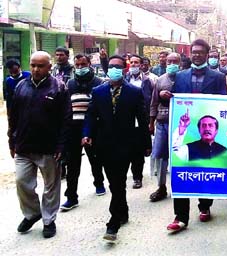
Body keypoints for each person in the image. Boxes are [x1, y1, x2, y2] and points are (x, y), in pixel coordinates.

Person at [82, 55, 151, 242]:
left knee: (119, 181)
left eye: (118, 67)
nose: (114, 69)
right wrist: (86, 134)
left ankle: (113, 223)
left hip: (125, 144)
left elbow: (142, 120)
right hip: (103, 144)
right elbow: (90, 115)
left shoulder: (134, 92)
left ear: (125, 69)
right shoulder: (97, 92)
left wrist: (146, 144)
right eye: (111, 66)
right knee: (114, 183)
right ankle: (124, 210)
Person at [8, 51, 72, 238]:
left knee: (51, 186)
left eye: (40, 66)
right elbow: (13, 116)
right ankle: (33, 213)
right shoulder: (21, 86)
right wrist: (12, 140)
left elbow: (66, 119)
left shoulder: (59, 87)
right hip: (24, 146)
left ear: (49, 67)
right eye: (33, 65)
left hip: (49, 148)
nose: (35, 69)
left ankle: (48, 220)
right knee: (22, 182)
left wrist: (61, 146)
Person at [167, 39, 227, 233]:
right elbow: (175, 100)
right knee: (181, 166)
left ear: (207, 54)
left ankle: (205, 205)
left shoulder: (218, 77)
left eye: (201, 52)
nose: (197, 55)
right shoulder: (181, 76)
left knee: (205, 166)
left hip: (206, 128)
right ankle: (180, 216)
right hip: (185, 126)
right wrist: (166, 96)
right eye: (194, 52)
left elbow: (223, 102)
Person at [60, 54, 106, 212]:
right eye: (77, 65)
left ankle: (99, 183)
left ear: (89, 65)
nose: (80, 68)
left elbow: (100, 108)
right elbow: (65, 106)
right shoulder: (70, 83)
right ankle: (71, 197)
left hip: (92, 129)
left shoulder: (98, 83)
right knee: (72, 164)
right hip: (73, 129)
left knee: (95, 159)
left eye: (83, 64)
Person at [148, 52, 181, 202]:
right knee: (161, 156)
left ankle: (181, 186)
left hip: (181, 123)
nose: (172, 64)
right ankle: (161, 186)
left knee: (181, 155)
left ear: (180, 63)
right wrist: (151, 122)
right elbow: (153, 103)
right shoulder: (160, 80)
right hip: (162, 122)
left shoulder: (184, 78)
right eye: (169, 61)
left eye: (175, 61)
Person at [125, 54, 154, 189]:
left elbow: (152, 101)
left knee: (138, 151)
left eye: (137, 62)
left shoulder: (149, 81)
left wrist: (150, 120)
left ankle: (137, 177)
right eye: (132, 62)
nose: (134, 65)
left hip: (140, 121)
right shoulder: (123, 79)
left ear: (141, 65)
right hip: (124, 122)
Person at [51, 46, 74, 180]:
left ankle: (66, 163)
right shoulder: (53, 69)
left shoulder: (73, 69)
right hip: (55, 106)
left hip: (69, 105)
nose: (59, 57)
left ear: (67, 56)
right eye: (57, 55)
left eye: (61, 55)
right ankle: (60, 165)